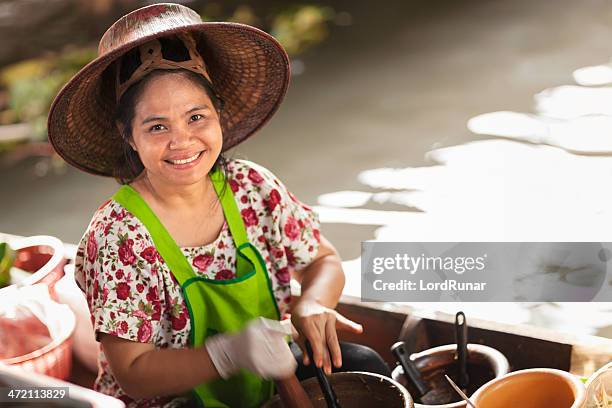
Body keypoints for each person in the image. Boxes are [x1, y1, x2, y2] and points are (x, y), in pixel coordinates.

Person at [48, 4, 387, 408]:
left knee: (365, 362)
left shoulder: (253, 187)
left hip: (267, 370)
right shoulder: (117, 235)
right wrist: (228, 353)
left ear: (219, 114)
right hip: (173, 399)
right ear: (128, 135)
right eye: (157, 127)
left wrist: (313, 303)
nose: (182, 142)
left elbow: (323, 260)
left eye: (196, 117)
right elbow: (134, 374)